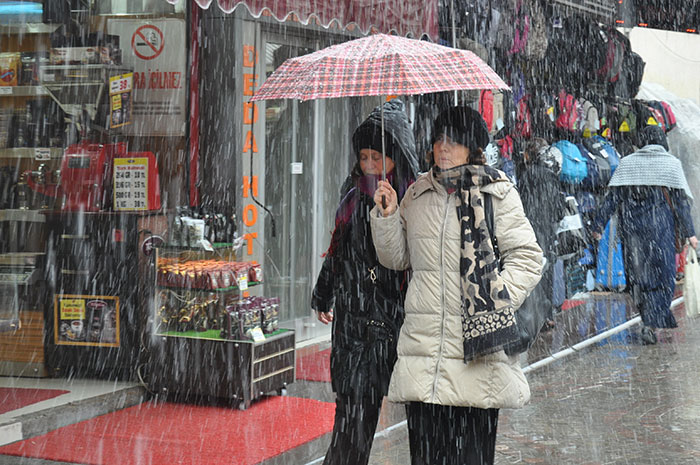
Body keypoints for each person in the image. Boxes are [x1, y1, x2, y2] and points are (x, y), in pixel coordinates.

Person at [370, 106, 543, 465]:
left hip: (476, 356)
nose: (442, 148)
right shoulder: (417, 194)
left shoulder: (497, 193)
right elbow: (397, 258)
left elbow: (528, 257)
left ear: (473, 147)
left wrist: (495, 297)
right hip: (425, 354)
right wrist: (386, 218)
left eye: (453, 141)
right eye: (437, 140)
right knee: (426, 458)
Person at [311, 99, 419, 465]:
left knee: (421, 421)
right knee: (352, 422)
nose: (370, 165)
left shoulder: (414, 196)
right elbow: (339, 248)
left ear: (397, 156)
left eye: (378, 157)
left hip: (395, 322)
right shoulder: (353, 192)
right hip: (354, 323)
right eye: (364, 157)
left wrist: (389, 215)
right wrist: (324, 293)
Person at [593, 125, 697, 345]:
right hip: (661, 229)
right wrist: (691, 234)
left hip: (633, 232)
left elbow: (612, 198)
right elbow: (680, 203)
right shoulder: (671, 164)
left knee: (639, 278)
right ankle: (653, 321)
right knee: (663, 276)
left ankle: (646, 319)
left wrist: (598, 225)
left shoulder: (628, 163)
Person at [518, 138, 567, 328]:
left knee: (531, 269)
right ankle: (547, 315)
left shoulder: (526, 175)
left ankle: (533, 314)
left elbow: (520, 203)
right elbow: (557, 209)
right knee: (546, 271)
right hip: (546, 229)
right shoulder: (551, 175)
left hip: (529, 227)